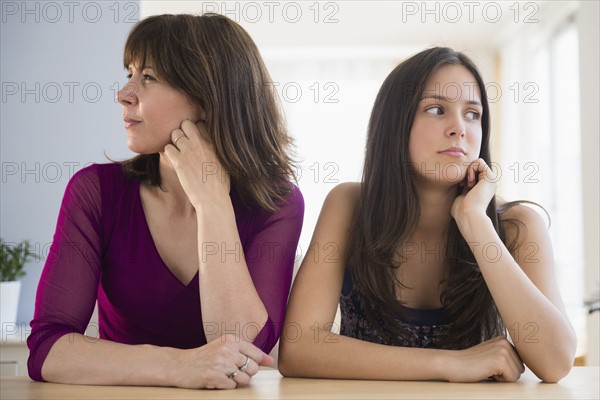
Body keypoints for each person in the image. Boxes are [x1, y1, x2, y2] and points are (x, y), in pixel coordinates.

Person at [27, 13, 304, 390]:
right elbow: (47, 349)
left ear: (207, 98)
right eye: (129, 74)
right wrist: (178, 365)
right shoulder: (94, 191)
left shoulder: (277, 202)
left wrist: (211, 204)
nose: (123, 93)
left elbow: (246, 348)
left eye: (149, 78)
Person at [278, 47, 575, 383]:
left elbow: (556, 363)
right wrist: (449, 363)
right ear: (396, 124)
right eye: (437, 110)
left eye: (473, 114)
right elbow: (299, 347)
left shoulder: (517, 225)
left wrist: (476, 222)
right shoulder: (349, 205)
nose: (459, 128)